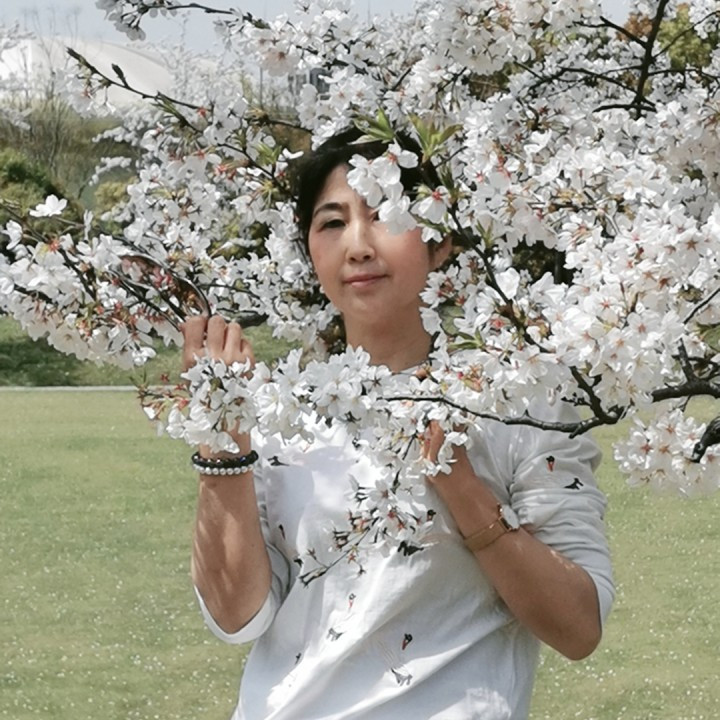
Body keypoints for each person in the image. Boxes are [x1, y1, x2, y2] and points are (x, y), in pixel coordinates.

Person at [181, 131, 614, 720]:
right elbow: (237, 618)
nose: (358, 246)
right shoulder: (282, 412)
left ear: (440, 240)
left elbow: (578, 627)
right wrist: (223, 445)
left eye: (385, 213)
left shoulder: (519, 398)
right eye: (332, 223)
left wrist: (463, 490)